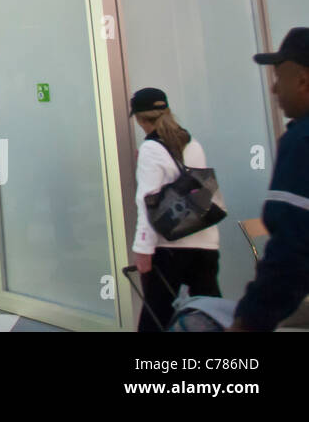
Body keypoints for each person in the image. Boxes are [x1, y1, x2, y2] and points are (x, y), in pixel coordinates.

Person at [233, 28, 309, 331]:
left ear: (303, 80)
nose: (275, 89)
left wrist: (248, 320)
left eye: (279, 77)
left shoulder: (303, 141)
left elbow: (292, 250)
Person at [129, 87, 222, 332]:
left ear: (139, 119)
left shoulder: (151, 149)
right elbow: (200, 191)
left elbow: (146, 202)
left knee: (155, 321)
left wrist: (143, 249)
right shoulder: (192, 142)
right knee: (209, 317)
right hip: (205, 243)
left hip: (170, 248)